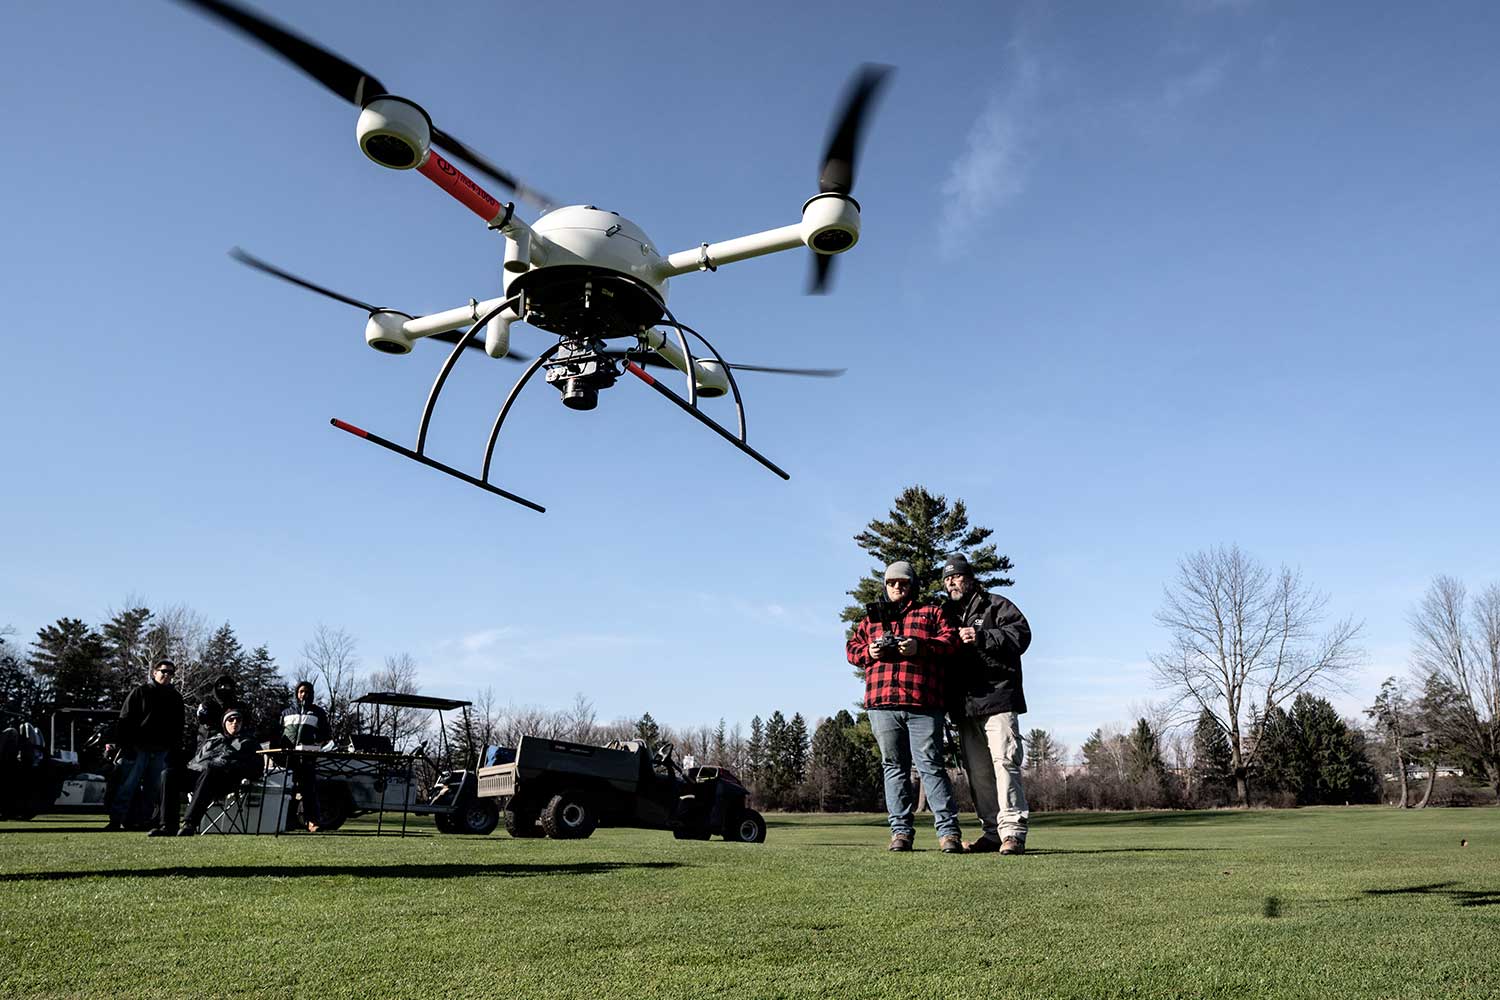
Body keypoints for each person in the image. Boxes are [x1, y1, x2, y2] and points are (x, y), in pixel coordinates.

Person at [845, 560, 964, 853]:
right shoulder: (869, 619)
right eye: (892, 582)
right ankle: (900, 833)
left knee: (931, 767)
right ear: (885, 585)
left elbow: (951, 643)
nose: (897, 586)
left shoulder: (931, 612)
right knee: (893, 768)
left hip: (924, 703)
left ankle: (949, 834)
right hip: (882, 704)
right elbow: (851, 649)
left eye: (903, 582)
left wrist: (919, 647)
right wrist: (868, 652)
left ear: (913, 585)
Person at [941, 553, 1033, 856]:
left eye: (956, 576)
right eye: (947, 578)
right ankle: (992, 834)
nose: (951, 582)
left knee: (1005, 764)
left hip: (999, 698)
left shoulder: (996, 604)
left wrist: (982, 637)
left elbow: (1021, 636)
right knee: (978, 773)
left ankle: (1013, 833)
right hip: (965, 707)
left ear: (969, 577)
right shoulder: (944, 614)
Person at [108, 659, 185, 836]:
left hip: (161, 750)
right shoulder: (140, 692)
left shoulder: (175, 698)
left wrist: (174, 750)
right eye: (164, 671)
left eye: (171, 673)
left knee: (153, 790)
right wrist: (126, 746)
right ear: (154, 672)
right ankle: (115, 821)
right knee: (127, 786)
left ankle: (143, 821)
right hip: (137, 748)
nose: (167, 675)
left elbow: (178, 727)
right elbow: (124, 720)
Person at [177, 709, 261, 835]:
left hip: (225, 781)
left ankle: (189, 824)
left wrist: (233, 766)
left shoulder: (249, 743)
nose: (235, 722)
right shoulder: (213, 740)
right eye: (230, 720)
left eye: (238, 720)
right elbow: (196, 760)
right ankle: (167, 825)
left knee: (210, 771)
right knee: (169, 774)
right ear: (224, 723)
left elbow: (257, 770)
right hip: (200, 775)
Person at [281, 680, 330, 832]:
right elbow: (278, 733)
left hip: (307, 758)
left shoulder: (318, 712)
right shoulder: (286, 712)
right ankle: (286, 821)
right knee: (287, 790)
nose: (304, 694)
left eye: (307, 692)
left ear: (312, 694)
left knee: (309, 790)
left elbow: (325, 734)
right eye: (301, 691)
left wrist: (316, 744)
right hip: (288, 758)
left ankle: (312, 822)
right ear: (296, 693)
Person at [195, 674, 251, 740]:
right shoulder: (208, 704)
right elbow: (202, 720)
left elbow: (247, 724)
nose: (223, 688)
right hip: (211, 741)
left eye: (226, 686)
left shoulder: (239, 706)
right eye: (220, 686)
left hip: (236, 741)